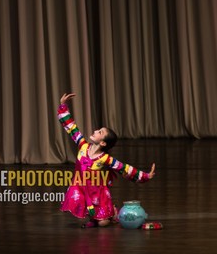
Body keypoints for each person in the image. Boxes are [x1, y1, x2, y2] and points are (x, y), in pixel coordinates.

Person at [58, 92, 156, 228]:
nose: (96, 131)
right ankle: (93, 216)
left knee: (103, 223)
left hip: (97, 192)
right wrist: (63, 106)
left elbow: (125, 169)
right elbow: (71, 128)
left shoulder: (105, 159)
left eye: (100, 132)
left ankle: (112, 213)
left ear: (103, 143)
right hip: (80, 187)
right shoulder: (82, 145)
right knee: (78, 209)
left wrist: (146, 176)